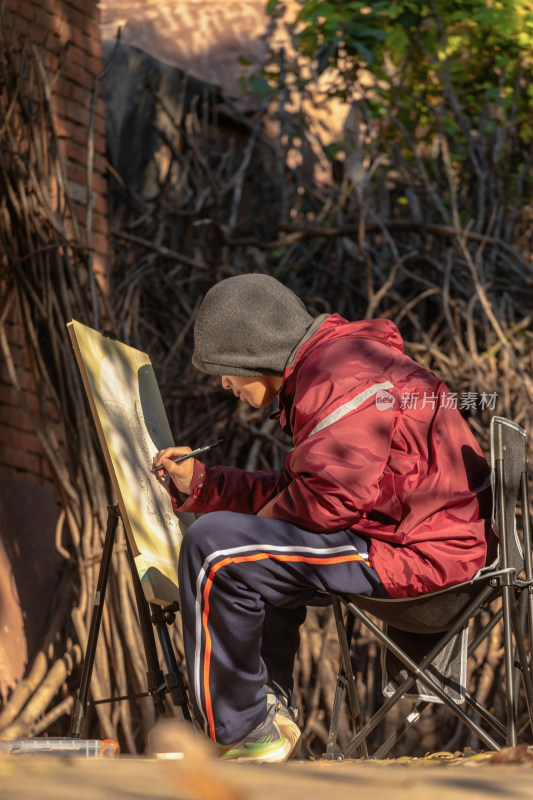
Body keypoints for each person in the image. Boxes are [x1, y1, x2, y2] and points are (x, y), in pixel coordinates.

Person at [152, 273, 493, 763]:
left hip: (422, 560)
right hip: (420, 544)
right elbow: (307, 495)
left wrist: (250, 525)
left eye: (225, 370)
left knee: (215, 550)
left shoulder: (338, 375)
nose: (225, 383)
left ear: (255, 351)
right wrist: (204, 483)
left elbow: (329, 502)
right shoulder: (337, 367)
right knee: (244, 547)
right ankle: (266, 715)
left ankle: (246, 731)